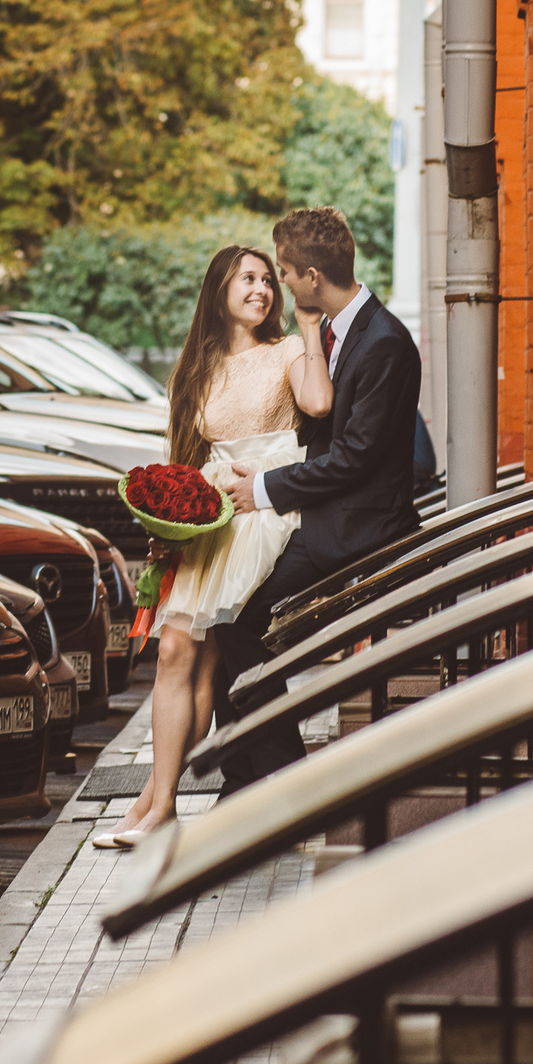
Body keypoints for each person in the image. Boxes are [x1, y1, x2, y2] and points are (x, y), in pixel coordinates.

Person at [92, 244, 332, 850]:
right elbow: (186, 461)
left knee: (208, 656)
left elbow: (318, 404)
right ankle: (158, 803)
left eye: (265, 280)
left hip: (258, 511)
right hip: (210, 518)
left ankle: (158, 804)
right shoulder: (193, 369)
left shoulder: (285, 352)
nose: (261, 289)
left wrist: (307, 327)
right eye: (246, 279)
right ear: (218, 290)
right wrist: (167, 528)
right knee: (175, 649)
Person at [211, 205, 424, 794]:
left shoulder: (383, 342)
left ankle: (276, 776)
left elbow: (357, 457)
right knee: (227, 608)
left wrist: (261, 490)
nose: (278, 282)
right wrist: (271, 468)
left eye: (282, 271)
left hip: (358, 528)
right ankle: (242, 777)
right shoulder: (338, 329)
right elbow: (332, 443)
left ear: (310, 276)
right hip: (328, 509)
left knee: (237, 613)